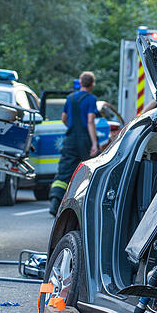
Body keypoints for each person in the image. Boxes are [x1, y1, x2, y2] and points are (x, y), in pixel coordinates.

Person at [48, 71, 100, 215]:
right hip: (84, 140)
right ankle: (83, 206)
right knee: (87, 171)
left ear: (81, 83)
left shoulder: (70, 98)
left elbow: (64, 118)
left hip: (70, 139)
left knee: (64, 171)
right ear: (92, 84)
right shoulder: (91, 99)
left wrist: (72, 127)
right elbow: (90, 121)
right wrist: (94, 144)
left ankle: (54, 202)